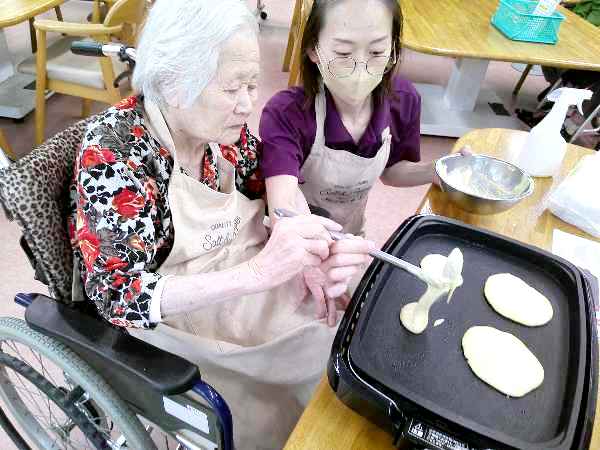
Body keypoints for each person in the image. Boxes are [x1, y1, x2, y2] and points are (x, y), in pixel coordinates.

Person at [68, 1, 372, 448]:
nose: (249, 104)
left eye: (252, 84)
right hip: (176, 310)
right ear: (174, 84)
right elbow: (120, 297)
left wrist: (304, 246)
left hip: (238, 258)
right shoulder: (115, 157)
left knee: (353, 307)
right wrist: (259, 274)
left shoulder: (221, 137)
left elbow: (266, 182)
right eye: (233, 89)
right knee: (313, 367)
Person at [259, 0, 470, 237]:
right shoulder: (286, 113)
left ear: (392, 50)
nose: (361, 67)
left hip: (349, 234)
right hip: (292, 241)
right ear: (313, 49)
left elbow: (392, 171)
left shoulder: (403, 101)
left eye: (377, 51)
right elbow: (283, 208)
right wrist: (295, 230)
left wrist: (435, 171)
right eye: (344, 53)